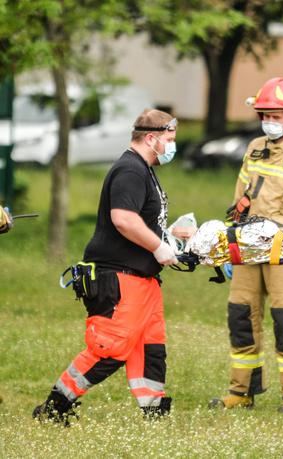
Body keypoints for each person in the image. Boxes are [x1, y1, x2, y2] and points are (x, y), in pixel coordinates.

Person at [33, 109, 184, 425]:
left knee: (150, 348)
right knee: (109, 348)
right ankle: (54, 408)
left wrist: (171, 236)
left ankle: (154, 412)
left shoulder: (144, 170)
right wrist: (159, 248)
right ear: (151, 138)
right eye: (169, 139)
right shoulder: (130, 170)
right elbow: (124, 219)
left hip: (143, 281)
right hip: (120, 278)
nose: (173, 145)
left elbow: (143, 221)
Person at [209, 77, 283, 414]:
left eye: (276, 115)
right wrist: (231, 239)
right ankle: (241, 391)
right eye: (265, 115)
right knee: (241, 316)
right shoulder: (255, 147)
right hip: (246, 244)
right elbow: (240, 196)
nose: (269, 122)